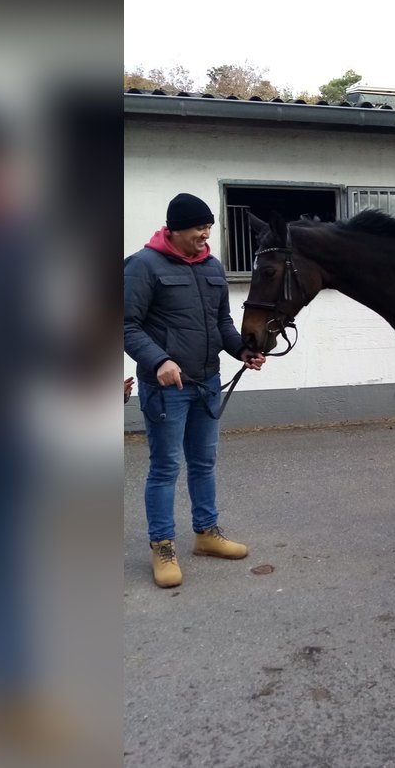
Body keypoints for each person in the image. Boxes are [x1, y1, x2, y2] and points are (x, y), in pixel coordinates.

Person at [124, 193, 266, 588]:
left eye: (208, 227)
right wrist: (159, 361)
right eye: (198, 228)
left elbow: (222, 322)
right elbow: (126, 324)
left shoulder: (212, 267)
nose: (205, 235)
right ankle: (162, 545)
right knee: (165, 467)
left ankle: (206, 533)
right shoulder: (143, 265)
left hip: (207, 383)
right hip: (166, 389)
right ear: (174, 230)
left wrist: (241, 350)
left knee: (204, 463)